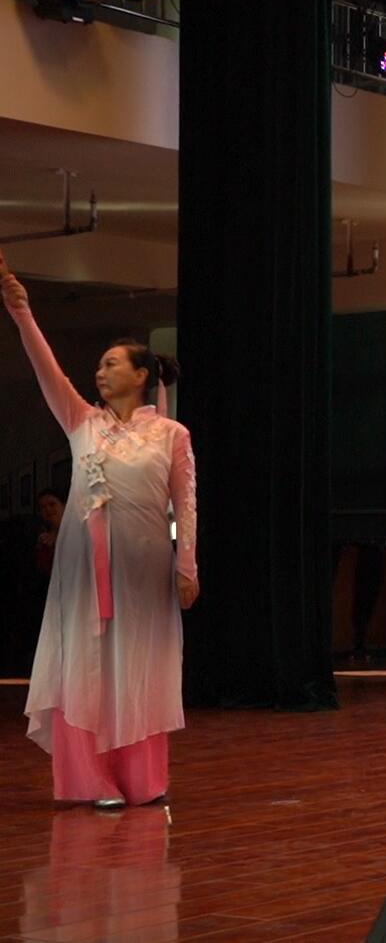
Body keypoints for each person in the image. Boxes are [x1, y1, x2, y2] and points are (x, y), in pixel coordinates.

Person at [2, 252, 198, 809]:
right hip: (84, 569)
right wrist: (21, 312)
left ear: (141, 375)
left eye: (112, 364)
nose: (101, 372)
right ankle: (92, 779)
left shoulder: (171, 435)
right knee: (87, 667)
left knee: (138, 666)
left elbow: (185, 503)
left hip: (144, 568)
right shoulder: (81, 421)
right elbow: (48, 371)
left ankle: (141, 778)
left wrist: (187, 566)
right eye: (99, 366)